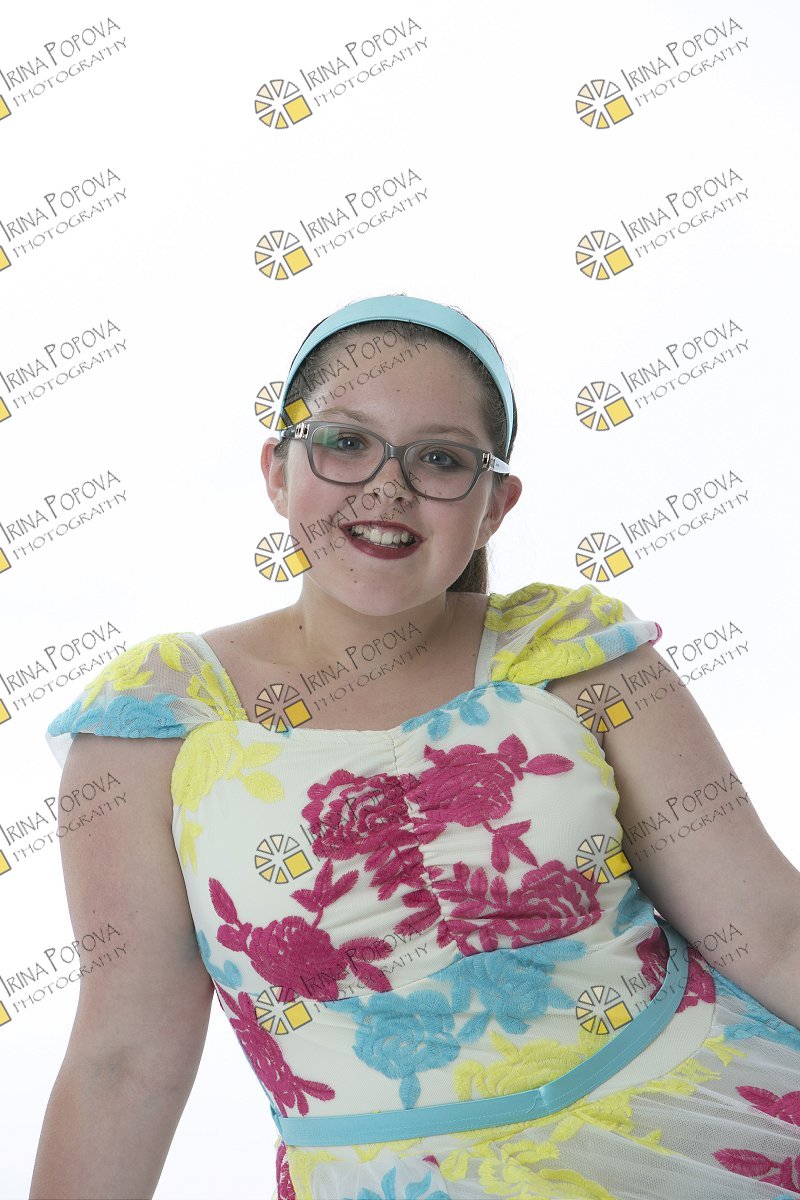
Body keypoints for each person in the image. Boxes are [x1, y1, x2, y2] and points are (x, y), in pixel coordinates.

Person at [32, 294, 800, 1200]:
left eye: (440, 458)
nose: (387, 487)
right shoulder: (158, 717)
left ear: (495, 504)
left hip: (714, 1137)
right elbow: (123, 1061)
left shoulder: (572, 653)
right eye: (345, 442)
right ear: (277, 471)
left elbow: (771, 934)